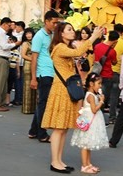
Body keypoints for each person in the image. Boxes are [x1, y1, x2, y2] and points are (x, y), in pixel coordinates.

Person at [42, 22, 103, 173]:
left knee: (63, 129)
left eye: (71, 29)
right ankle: (55, 162)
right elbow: (78, 53)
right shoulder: (60, 47)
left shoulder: (66, 47)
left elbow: (80, 54)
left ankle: (59, 160)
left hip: (66, 89)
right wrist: (94, 36)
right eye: (69, 29)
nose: (72, 32)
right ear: (61, 33)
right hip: (61, 89)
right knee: (58, 128)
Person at [28, 11, 59, 142]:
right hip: (43, 73)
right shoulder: (39, 36)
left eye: (57, 22)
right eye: (53, 22)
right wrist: (33, 78)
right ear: (46, 21)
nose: (55, 25)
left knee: (43, 103)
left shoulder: (51, 35)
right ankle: (42, 133)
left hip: (51, 72)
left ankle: (33, 130)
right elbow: (33, 58)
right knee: (44, 104)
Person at [70, 73, 108, 174]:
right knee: (85, 145)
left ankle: (88, 163)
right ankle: (84, 165)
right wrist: (101, 101)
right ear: (91, 84)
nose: (100, 85)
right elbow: (94, 110)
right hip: (89, 122)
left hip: (90, 121)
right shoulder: (90, 96)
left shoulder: (91, 94)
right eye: (98, 83)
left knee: (88, 144)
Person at [0, 17, 21, 112]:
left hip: (4, 59)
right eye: (9, 25)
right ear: (4, 24)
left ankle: (1, 102)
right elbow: (4, 46)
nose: (10, 27)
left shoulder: (3, 34)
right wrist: (15, 44)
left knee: (3, 83)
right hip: (0, 58)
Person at [108, 23, 123, 125]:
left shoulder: (107, 41)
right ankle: (112, 117)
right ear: (122, 31)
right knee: (114, 95)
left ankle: (100, 116)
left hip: (106, 71)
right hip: (117, 71)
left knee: (104, 94)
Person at [94, 31, 118, 109]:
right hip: (107, 75)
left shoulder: (97, 46)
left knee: (96, 94)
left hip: (97, 73)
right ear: (115, 41)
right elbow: (114, 62)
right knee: (104, 96)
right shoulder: (112, 51)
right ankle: (101, 112)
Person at [21, 28, 37, 114]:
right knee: (28, 86)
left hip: (35, 65)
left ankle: (33, 108)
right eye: (26, 34)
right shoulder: (25, 43)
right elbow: (23, 55)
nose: (28, 35)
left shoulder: (35, 42)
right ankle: (26, 108)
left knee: (34, 86)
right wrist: (32, 59)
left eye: (30, 33)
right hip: (28, 64)